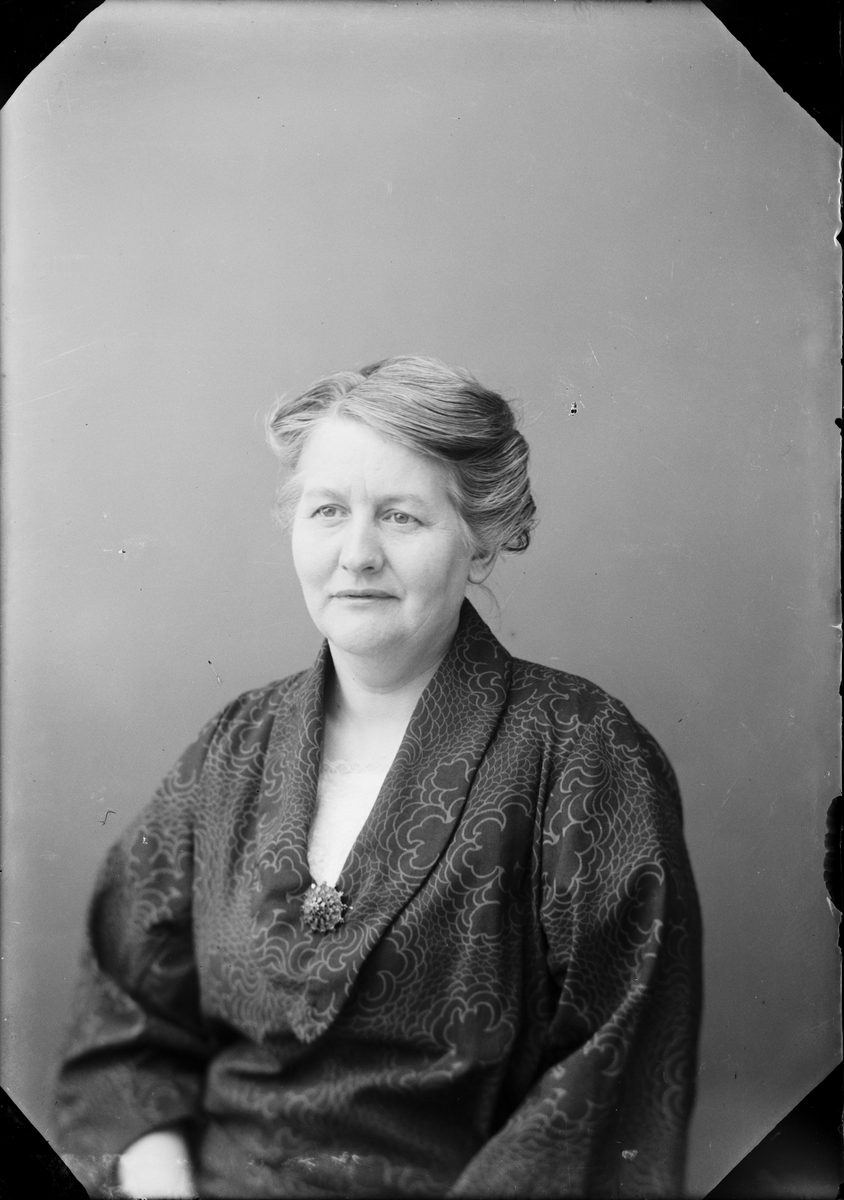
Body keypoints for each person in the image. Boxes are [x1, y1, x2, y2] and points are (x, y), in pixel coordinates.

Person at [55, 356, 702, 1198]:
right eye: (329, 511)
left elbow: (605, 1084)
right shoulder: (234, 750)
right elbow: (122, 1028)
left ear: (480, 536)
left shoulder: (582, 753)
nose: (357, 554)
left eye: (400, 516)